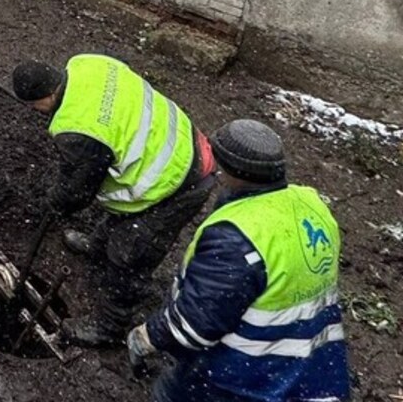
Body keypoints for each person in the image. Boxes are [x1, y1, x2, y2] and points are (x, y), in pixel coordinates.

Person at [126, 120, 350, 402]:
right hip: (311, 361)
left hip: (241, 373)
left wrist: (150, 336)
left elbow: (197, 324)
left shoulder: (235, 238)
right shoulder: (311, 204)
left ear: (233, 171)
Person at [11, 57, 217, 345]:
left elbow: (78, 192)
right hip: (178, 140)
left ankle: (109, 326)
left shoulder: (78, 130)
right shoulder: (86, 64)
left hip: (178, 182)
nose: (37, 112)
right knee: (122, 212)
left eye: (36, 106)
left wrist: (55, 202)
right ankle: (97, 249)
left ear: (47, 95)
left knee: (130, 254)